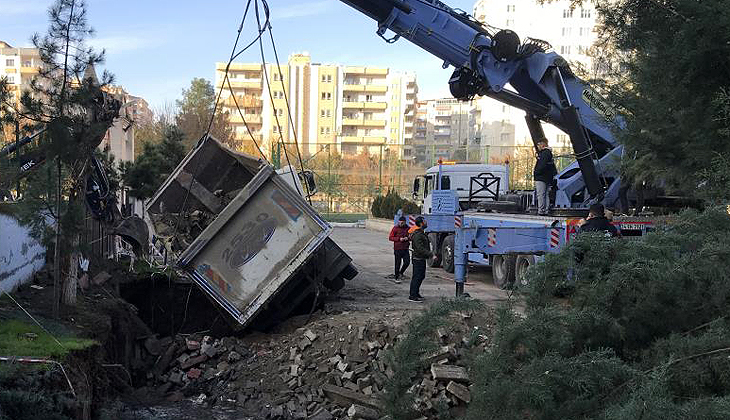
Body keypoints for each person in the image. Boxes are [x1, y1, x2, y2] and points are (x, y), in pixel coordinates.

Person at [408, 216, 432, 302]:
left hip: (421, 258)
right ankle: (412, 296)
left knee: (421, 276)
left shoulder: (421, 233)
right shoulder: (418, 235)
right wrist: (431, 254)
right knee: (417, 277)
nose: (426, 222)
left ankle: (416, 293)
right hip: (417, 259)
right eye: (425, 221)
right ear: (421, 223)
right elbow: (419, 248)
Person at [533, 139, 558, 216]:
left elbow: (541, 165)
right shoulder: (549, 153)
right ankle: (546, 210)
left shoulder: (544, 154)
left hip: (541, 177)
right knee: (545, 194)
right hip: (547, 177)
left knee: (541, 194)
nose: (538, 146)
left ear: (543, 144)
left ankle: (541, 210)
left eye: (539, 144)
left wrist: (536, 172)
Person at [388, 216, 411, 284]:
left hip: (405, 248)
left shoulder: (408, 228)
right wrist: (399, 239)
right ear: (398, 222)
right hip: (397, 249)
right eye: (400, 222)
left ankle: (401, 272)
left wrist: (408, 238)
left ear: (405, 222)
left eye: (403, 223)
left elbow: (411, 236)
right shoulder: (395, 228)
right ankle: (396, 277)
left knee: (407, 262)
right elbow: (390, 237)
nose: (401, 224)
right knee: (397, 264)